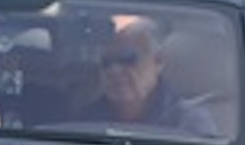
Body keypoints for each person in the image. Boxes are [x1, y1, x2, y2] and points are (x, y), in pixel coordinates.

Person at [76, 17, 217, 136]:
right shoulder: (86, 121)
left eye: (127, 59)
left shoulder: (189, 124)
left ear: (158, 61)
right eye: (106, 63)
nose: (114, 70)